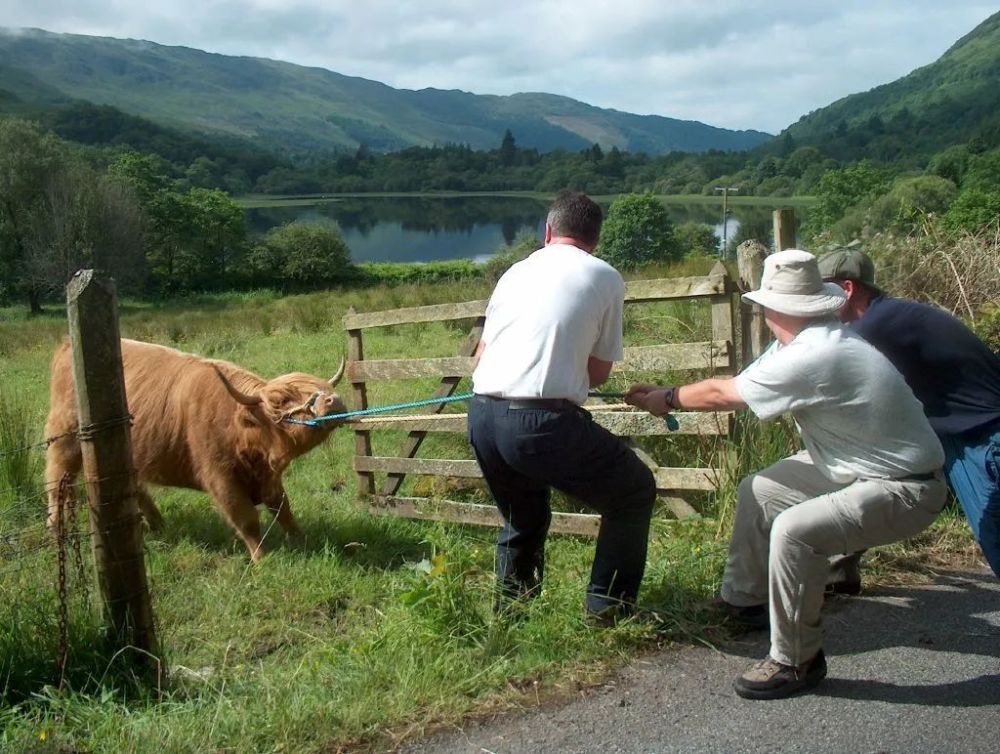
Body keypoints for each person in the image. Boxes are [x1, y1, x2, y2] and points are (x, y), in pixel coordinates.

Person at [626, 249, 947, 700]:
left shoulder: (816, 353)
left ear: (771, 307)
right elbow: (743, 382)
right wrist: (667, 394)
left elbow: (724, 393)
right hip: (857, 466)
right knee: (760, 490)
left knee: (795, 532)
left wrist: (668, 398)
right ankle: (744, 602)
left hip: (906, 487)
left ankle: (797, 661)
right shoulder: (802, 341)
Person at [468, 191, 656, 623]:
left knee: (523, 518)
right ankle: (609, 610)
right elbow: (599, 372)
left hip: (483, 416)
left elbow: (480, 354)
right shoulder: (604, 275)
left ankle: (512, 615)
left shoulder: (514, 272)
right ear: (596, 238)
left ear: (548, 231)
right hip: (540, 422)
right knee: (633, 491)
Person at [818, 248, 1000, 578]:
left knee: (996, 540)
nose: (815, 300)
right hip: (970, 437)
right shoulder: (892, 316)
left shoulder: (876, 326)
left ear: (846, 288)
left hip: (985, 439)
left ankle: (837, 563)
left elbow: (823, 367)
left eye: (822, 289)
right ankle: (841, 564)